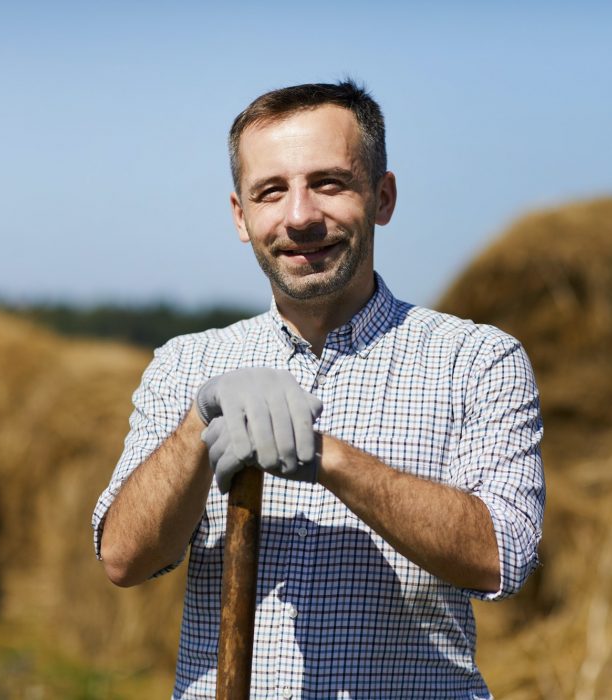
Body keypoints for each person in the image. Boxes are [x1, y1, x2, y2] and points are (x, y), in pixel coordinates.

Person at [93, 80, 545, 699]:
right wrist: (201, 426)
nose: (300, 216)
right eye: (271, 191)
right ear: (241, 216)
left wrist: (325, 456)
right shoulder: (186, 362)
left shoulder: (478, 359)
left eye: (329, 183)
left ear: (382, 197)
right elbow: (123, 558)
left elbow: (502, 555)